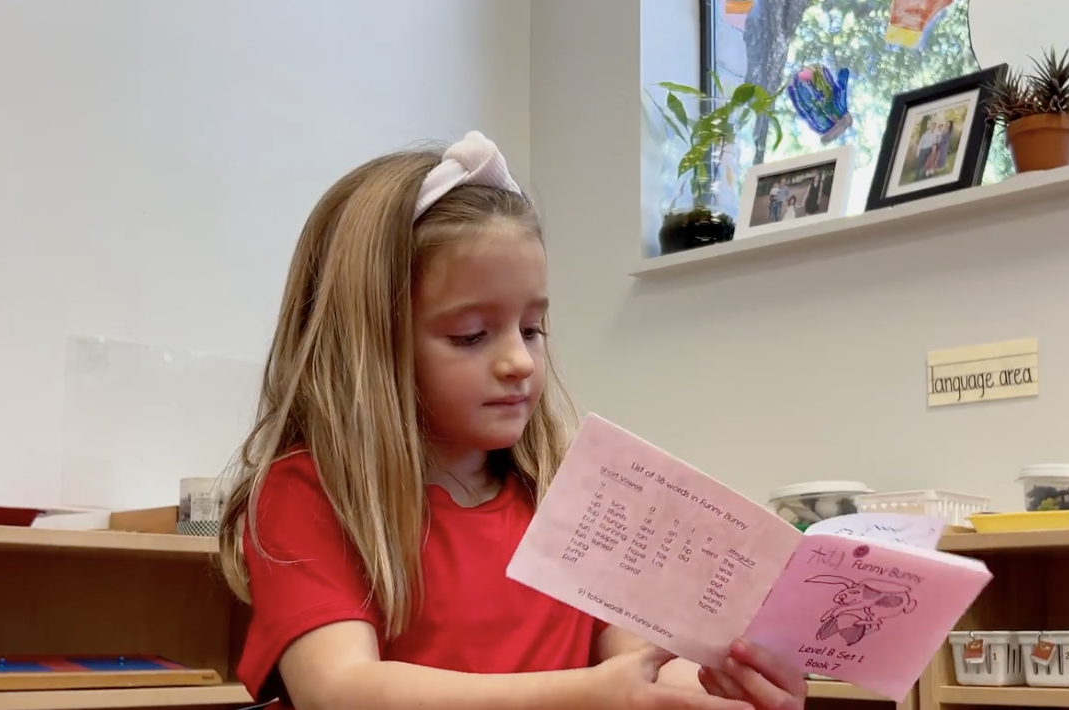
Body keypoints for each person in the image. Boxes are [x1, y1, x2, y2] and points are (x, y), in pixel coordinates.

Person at [217, 131, 807, 710]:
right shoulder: (308, 494)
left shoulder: (567, 491)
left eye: (532, 329)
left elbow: (642, 669)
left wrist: (736, 692)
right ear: (367, 346)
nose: (519, 362)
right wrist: (586, 696)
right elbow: (340, 690)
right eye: (471, 335)